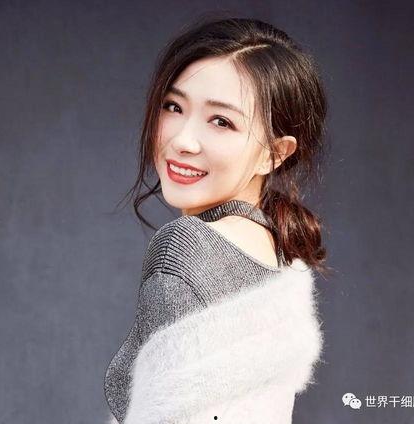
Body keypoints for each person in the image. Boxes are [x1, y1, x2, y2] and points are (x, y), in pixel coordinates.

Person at [104, 16, 329, 424]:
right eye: (174, 107)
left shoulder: (186, 247)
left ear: (275, 153)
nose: (182, 141)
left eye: (221, 121)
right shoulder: (278, 254)